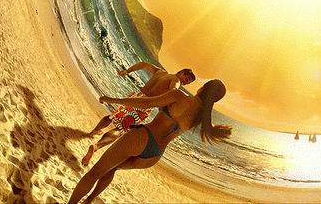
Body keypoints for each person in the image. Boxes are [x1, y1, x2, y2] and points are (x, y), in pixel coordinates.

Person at [68, 79, 231, 204]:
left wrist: (114, 100)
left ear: (203, 88)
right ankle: (89, 200)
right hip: (154, 155)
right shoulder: (201, 118)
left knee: (96, 172)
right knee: (112, 168)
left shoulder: (179, 96)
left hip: (142, 137)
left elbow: (146, 103)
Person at [81, 63, 196, 166]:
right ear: (181, 72)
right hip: (143, 105)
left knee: (113, 116)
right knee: (120, 129)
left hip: (136, 97)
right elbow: (173, 92)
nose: (185, 83)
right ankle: (96, 147)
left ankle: (94, 131)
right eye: (186, 79)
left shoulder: (161, 72)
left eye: (188, 82)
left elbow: (143, 64)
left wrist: (127, 71)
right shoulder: (176, 81)